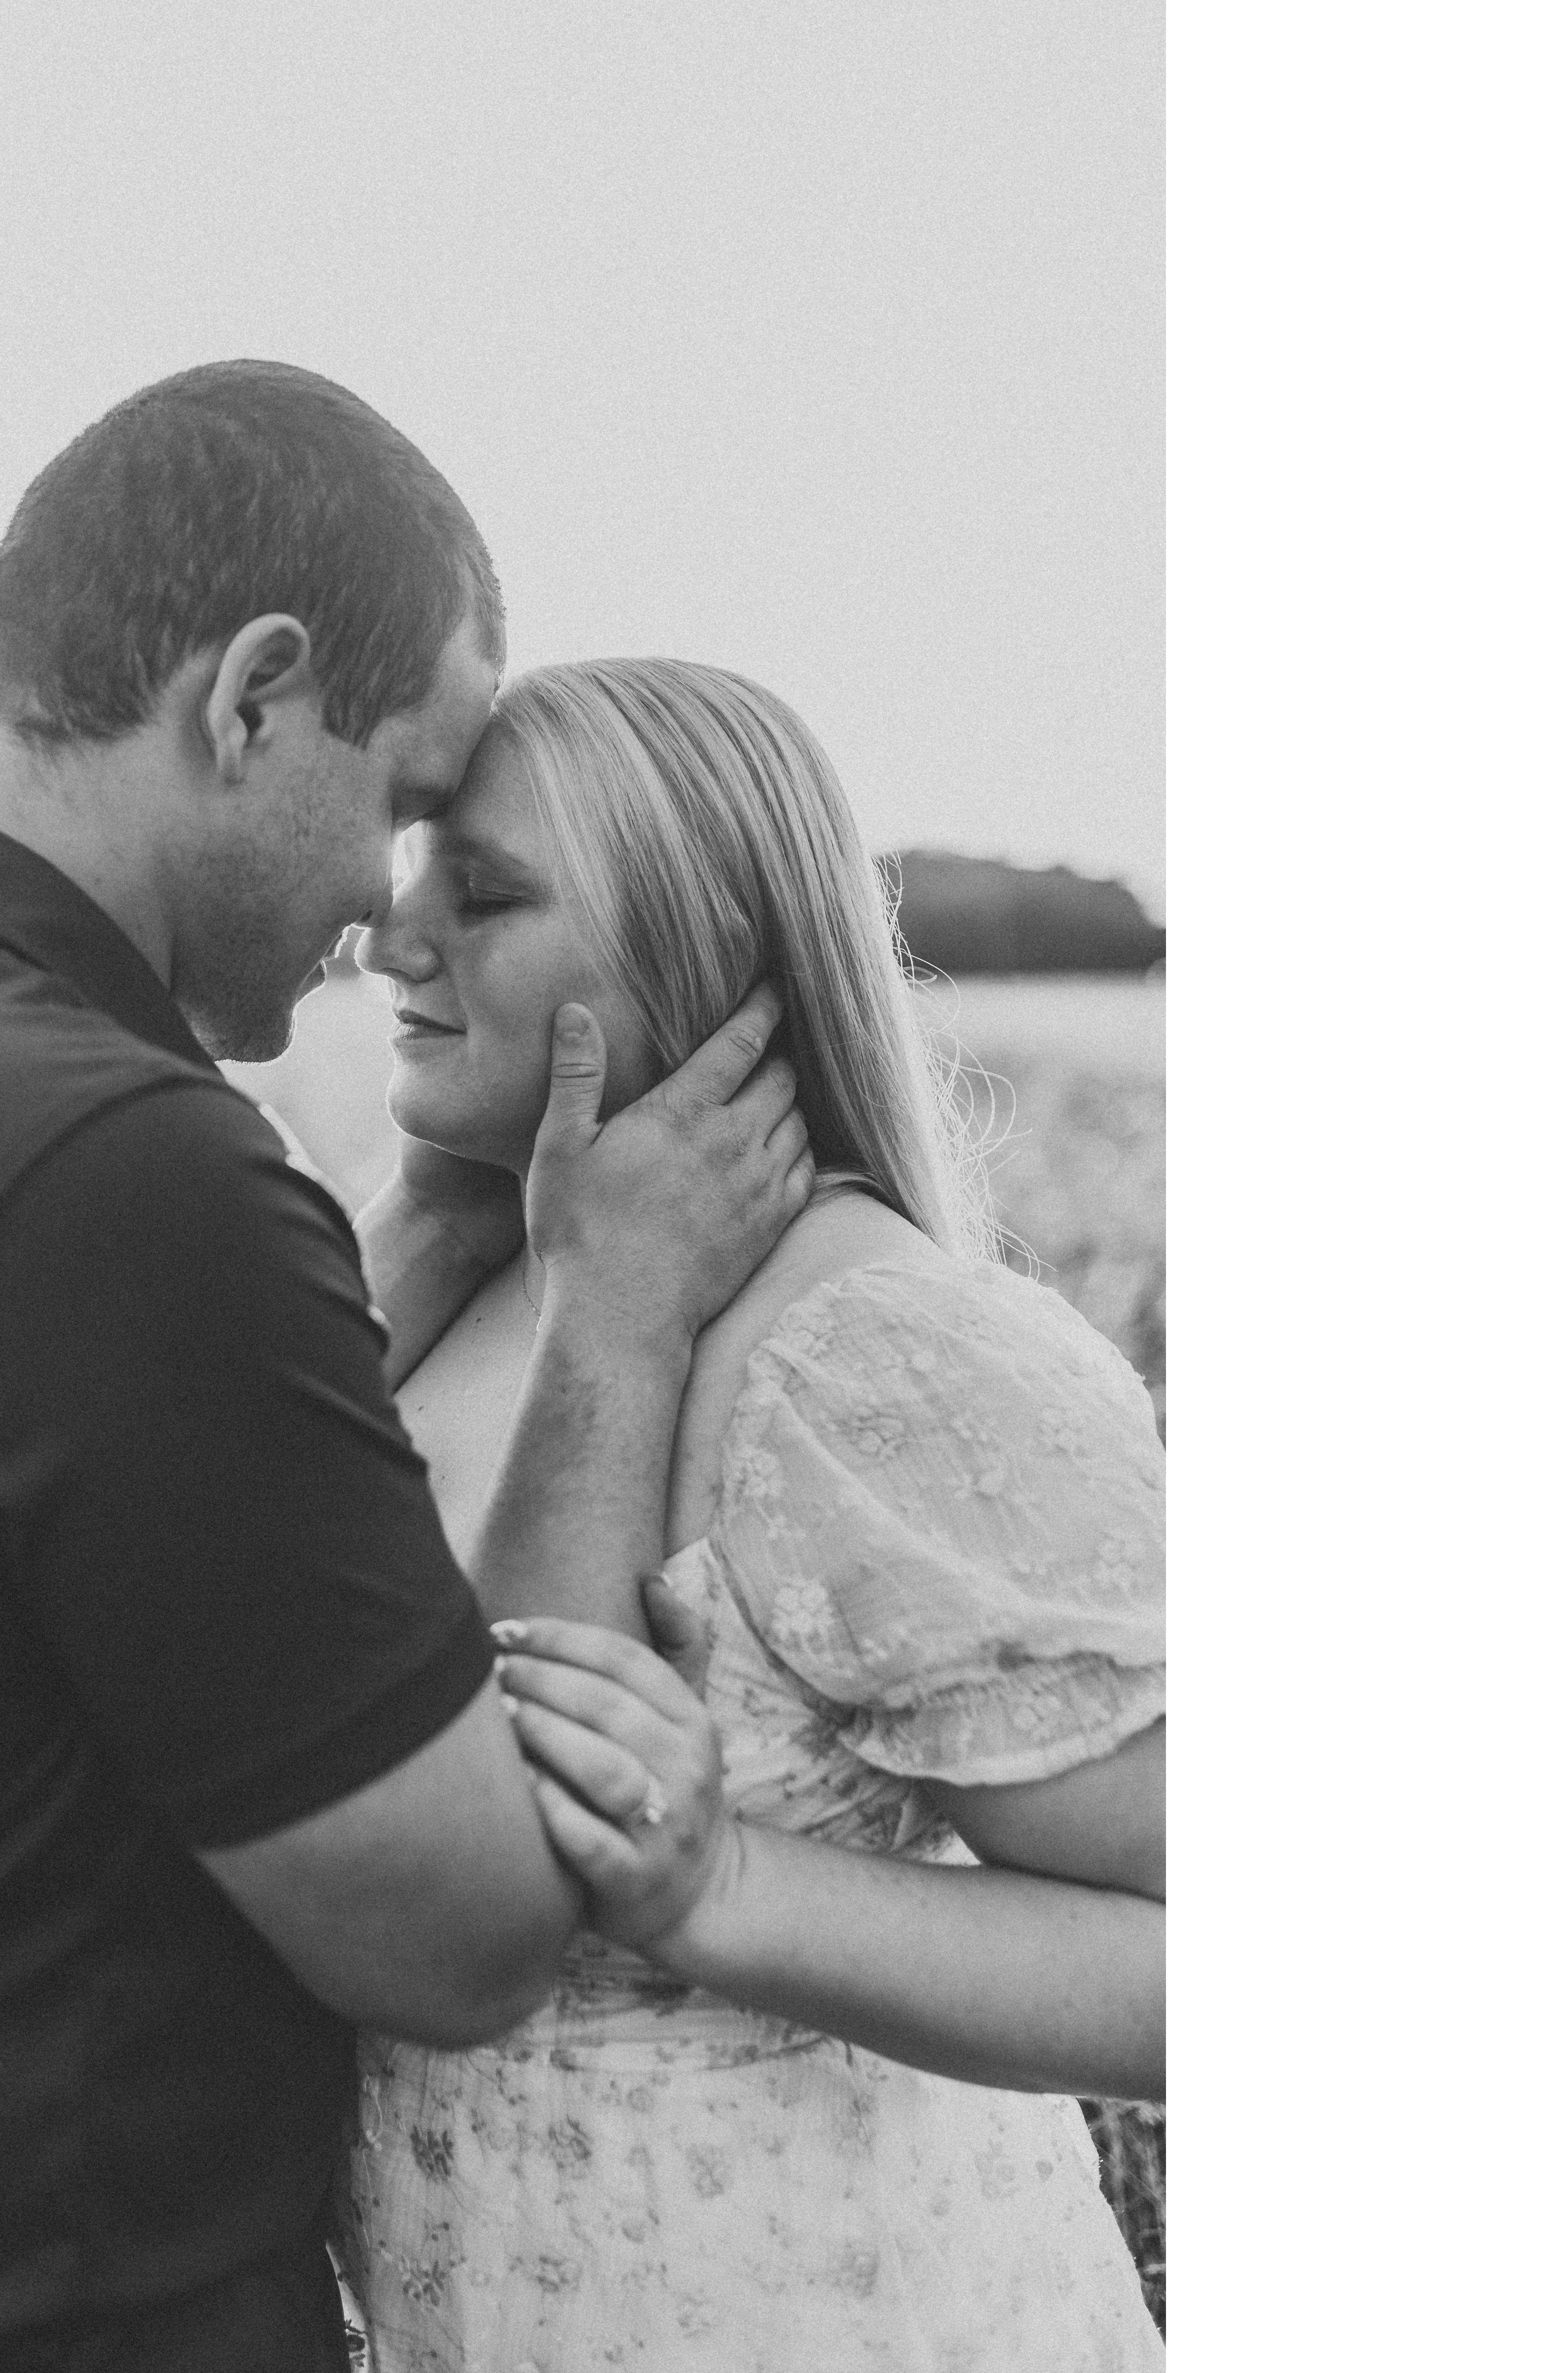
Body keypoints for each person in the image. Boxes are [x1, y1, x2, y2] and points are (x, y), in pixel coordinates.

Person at [0, 369, 818, 2373]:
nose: (384, 912)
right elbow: (468, 1934)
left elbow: (105, 1531)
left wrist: (433, 1228)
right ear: (253, 696)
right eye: (401, 803)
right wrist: (615, 1324)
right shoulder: (120, 1172)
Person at [341, 658, 1166, 2369]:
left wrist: (727, 1886)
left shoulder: (873, 1358)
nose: (387, 939)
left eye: (481, 896)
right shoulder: (475, 1276)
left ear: (695, 953)